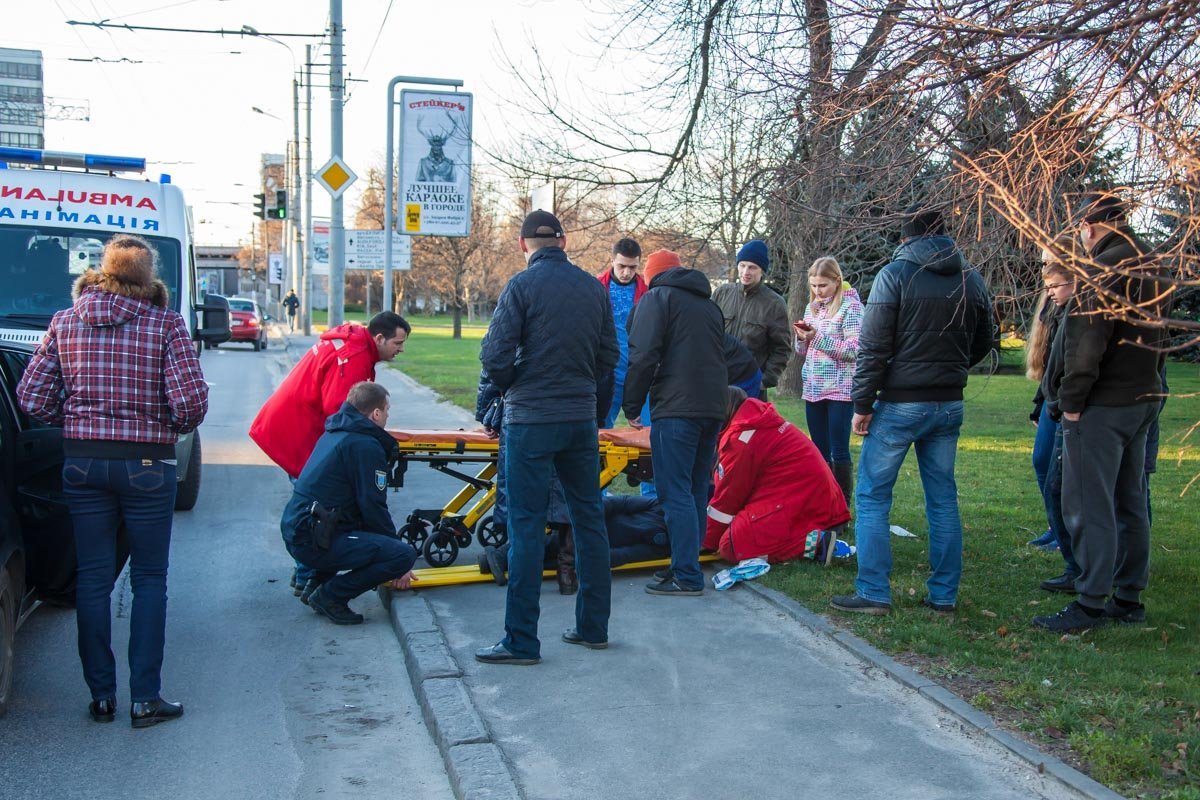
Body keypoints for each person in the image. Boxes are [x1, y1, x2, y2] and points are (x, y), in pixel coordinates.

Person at [17, 233, 209, 728]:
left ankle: (101, 696)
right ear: (148, 278)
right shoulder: (165, 324)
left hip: (82, 463)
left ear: (101, 270)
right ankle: (145, 699)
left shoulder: (65, 322)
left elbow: (32, 397)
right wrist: (160, 426)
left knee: (94, 581)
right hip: (147, 465)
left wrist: (78, 423)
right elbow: (191, 405)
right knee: (149, 579)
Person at [830, 204, 994, 616]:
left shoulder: (895, 275)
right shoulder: (970, 278)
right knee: (942, 499)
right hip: (948, 402)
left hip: (901, 403)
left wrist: (862, 404)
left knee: (871, 496)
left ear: (906, 238)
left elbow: (873, 346)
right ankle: (943, 595)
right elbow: (984, 340)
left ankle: (873, 591)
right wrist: (952, 370)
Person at [475, 210, 619, 664]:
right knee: (589, 521)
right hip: (578, 419)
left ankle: (521, 640)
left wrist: (516, 381)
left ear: (523, 246)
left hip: (530, 420)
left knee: (525, 524)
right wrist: (591, 410)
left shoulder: (520, 287)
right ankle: (593, 627)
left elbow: (494, 357)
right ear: (564, 241)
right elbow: (609, 358)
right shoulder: (592, 290)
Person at [1033, 192, 1167, 633]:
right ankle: (1129, 595)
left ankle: (1090, 601)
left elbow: (1085, 346)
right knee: (1129, 501)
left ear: (1089, 228)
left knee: (1090, 502)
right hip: (1143, 398)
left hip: (1104, 405)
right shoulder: (1148, 262)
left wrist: (1070, 404)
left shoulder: (1100, 271)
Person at [250, 310, 410, 598]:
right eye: (398, 343)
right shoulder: (355, 357)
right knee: (319, 512)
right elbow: (343, 414)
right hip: (299, 433)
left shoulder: (353, 345)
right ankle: (311, 578)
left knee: (316, 505)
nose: (401, 349)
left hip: (292, 426)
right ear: (380, 338)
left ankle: (310, 575)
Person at [624, 249, 727, 596]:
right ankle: (686, 563)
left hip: (677, 408)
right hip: (712, 408)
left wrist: (632, 404)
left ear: (652, 276)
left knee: (674, 491)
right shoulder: (709, 306)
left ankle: (685, 574)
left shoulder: (658, 298)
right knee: (697, 489)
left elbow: (643, 355)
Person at [280, 382, 417, 625]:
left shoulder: (335, 432)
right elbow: (373, 505)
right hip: (313, 538)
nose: (387, 416)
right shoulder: (364, 445)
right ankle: (331, 596)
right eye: (386, 410)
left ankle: (317, 584)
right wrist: (398, 560)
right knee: (403, 554)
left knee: (352, 528)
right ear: (376, 413)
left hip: (301, 530)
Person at [704, 387, 849, 565]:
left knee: (733, 546)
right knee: (739, 531)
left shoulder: (742, 439)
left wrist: (704, 542)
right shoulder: (754, 423)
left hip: (805, 500)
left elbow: (726, 501)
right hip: (812, 496)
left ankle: (816, 543)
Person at [1023, 236, 1080, 591]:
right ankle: (1056, 527)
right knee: (1043, 461)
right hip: (1050, 393)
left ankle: (1068, 539)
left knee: (1055, 468)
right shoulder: (1053, 298)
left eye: (1050, 263)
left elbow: (1068, 358)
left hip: (1063, 398)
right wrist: (1040, 399)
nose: (1044, 269)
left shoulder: (1072, 303)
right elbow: (1049, 357)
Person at [794, 257, 864, 505]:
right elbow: (803, 351)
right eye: (813, 285)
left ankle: (841, 506)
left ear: (837, 281)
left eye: (822, 285)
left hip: (840, 390)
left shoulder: (851, 307)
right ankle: (823, 503)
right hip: (813, 388)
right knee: (819, 450)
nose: (817, 291)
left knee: (838, 450)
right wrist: (802, 338)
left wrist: (817, 338)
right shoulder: (812, 307)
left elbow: (855, 349)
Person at [712, 239, 791, 399]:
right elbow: (706, 332)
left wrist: (764, 380)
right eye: (742, 265)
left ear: (762, 270)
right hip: (717, 380)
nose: (746, 271)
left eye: (752, 267)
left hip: (750, 387)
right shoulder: (722, 293)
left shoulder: (774, 303)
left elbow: (782, 349)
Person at [597, 237, 647, 427]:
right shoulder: (596, 287)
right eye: (622, 266)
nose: (626, 272)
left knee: (647, 430)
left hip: (638, 370)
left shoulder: (647, 292)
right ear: (612, 261)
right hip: (608, 370)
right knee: (601, 428)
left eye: (632, 267)